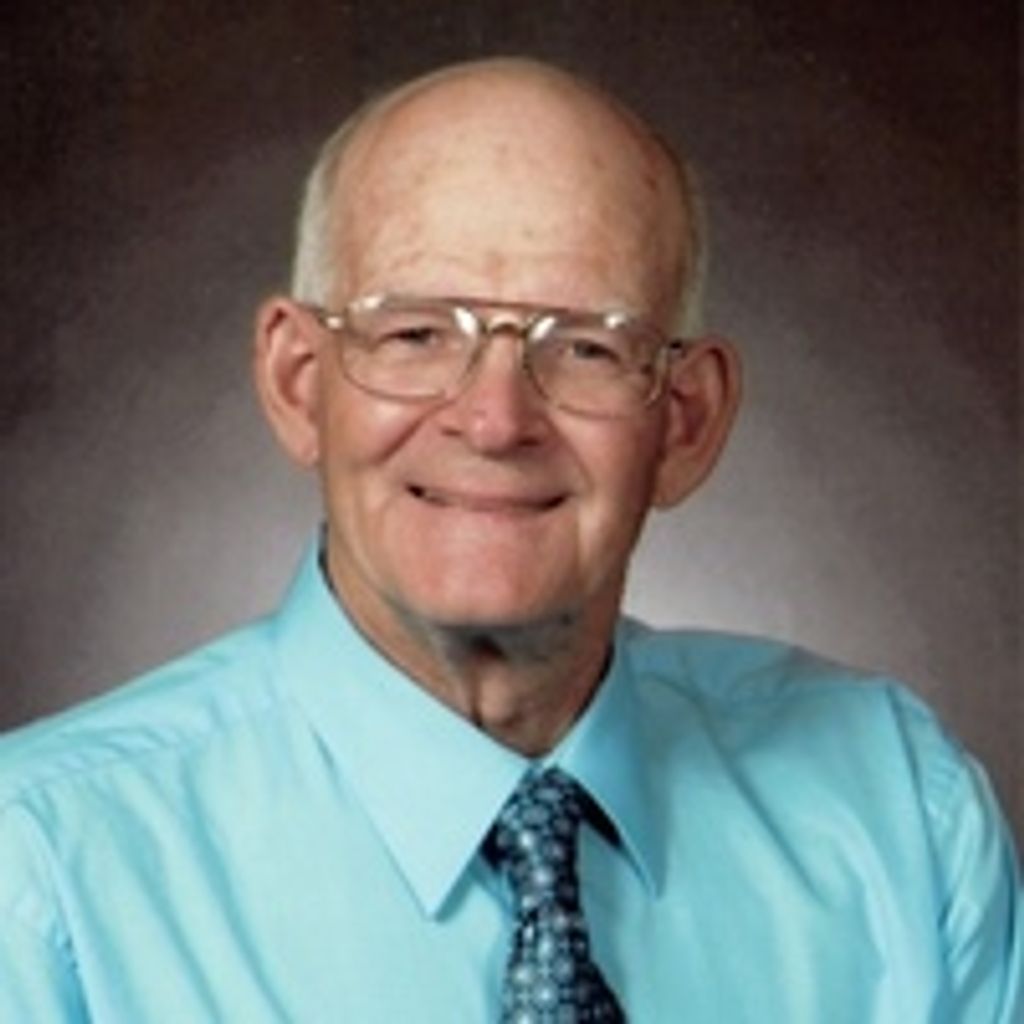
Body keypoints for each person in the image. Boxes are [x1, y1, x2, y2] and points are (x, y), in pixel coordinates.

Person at [0, 57, 1020, 1022]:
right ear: (299, 384)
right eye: (415, 334)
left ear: (687, 421)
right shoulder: (41, 875)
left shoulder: (897, 816)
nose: (494, 421)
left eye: (585, 347)